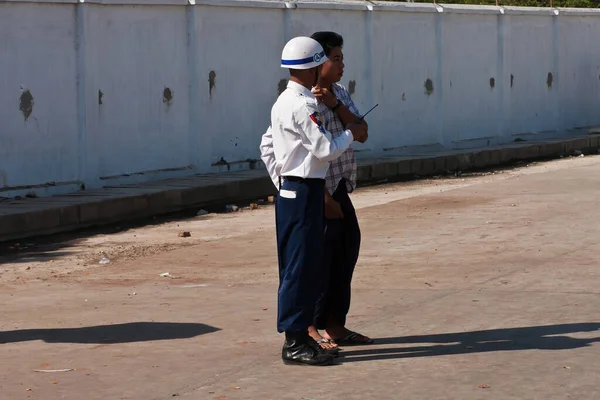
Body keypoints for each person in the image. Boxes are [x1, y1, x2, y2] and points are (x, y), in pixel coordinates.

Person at [260, 32, 373, 357]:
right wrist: (350, 133)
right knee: (301, 266)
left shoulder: (304, 98)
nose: (337, 65)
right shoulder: (301, 103)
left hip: (310, 188)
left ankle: (308, 334)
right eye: (331, 59)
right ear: (314, 67)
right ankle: (298, 338)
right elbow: (323, 148)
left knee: (313, 262)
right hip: (304, 189)